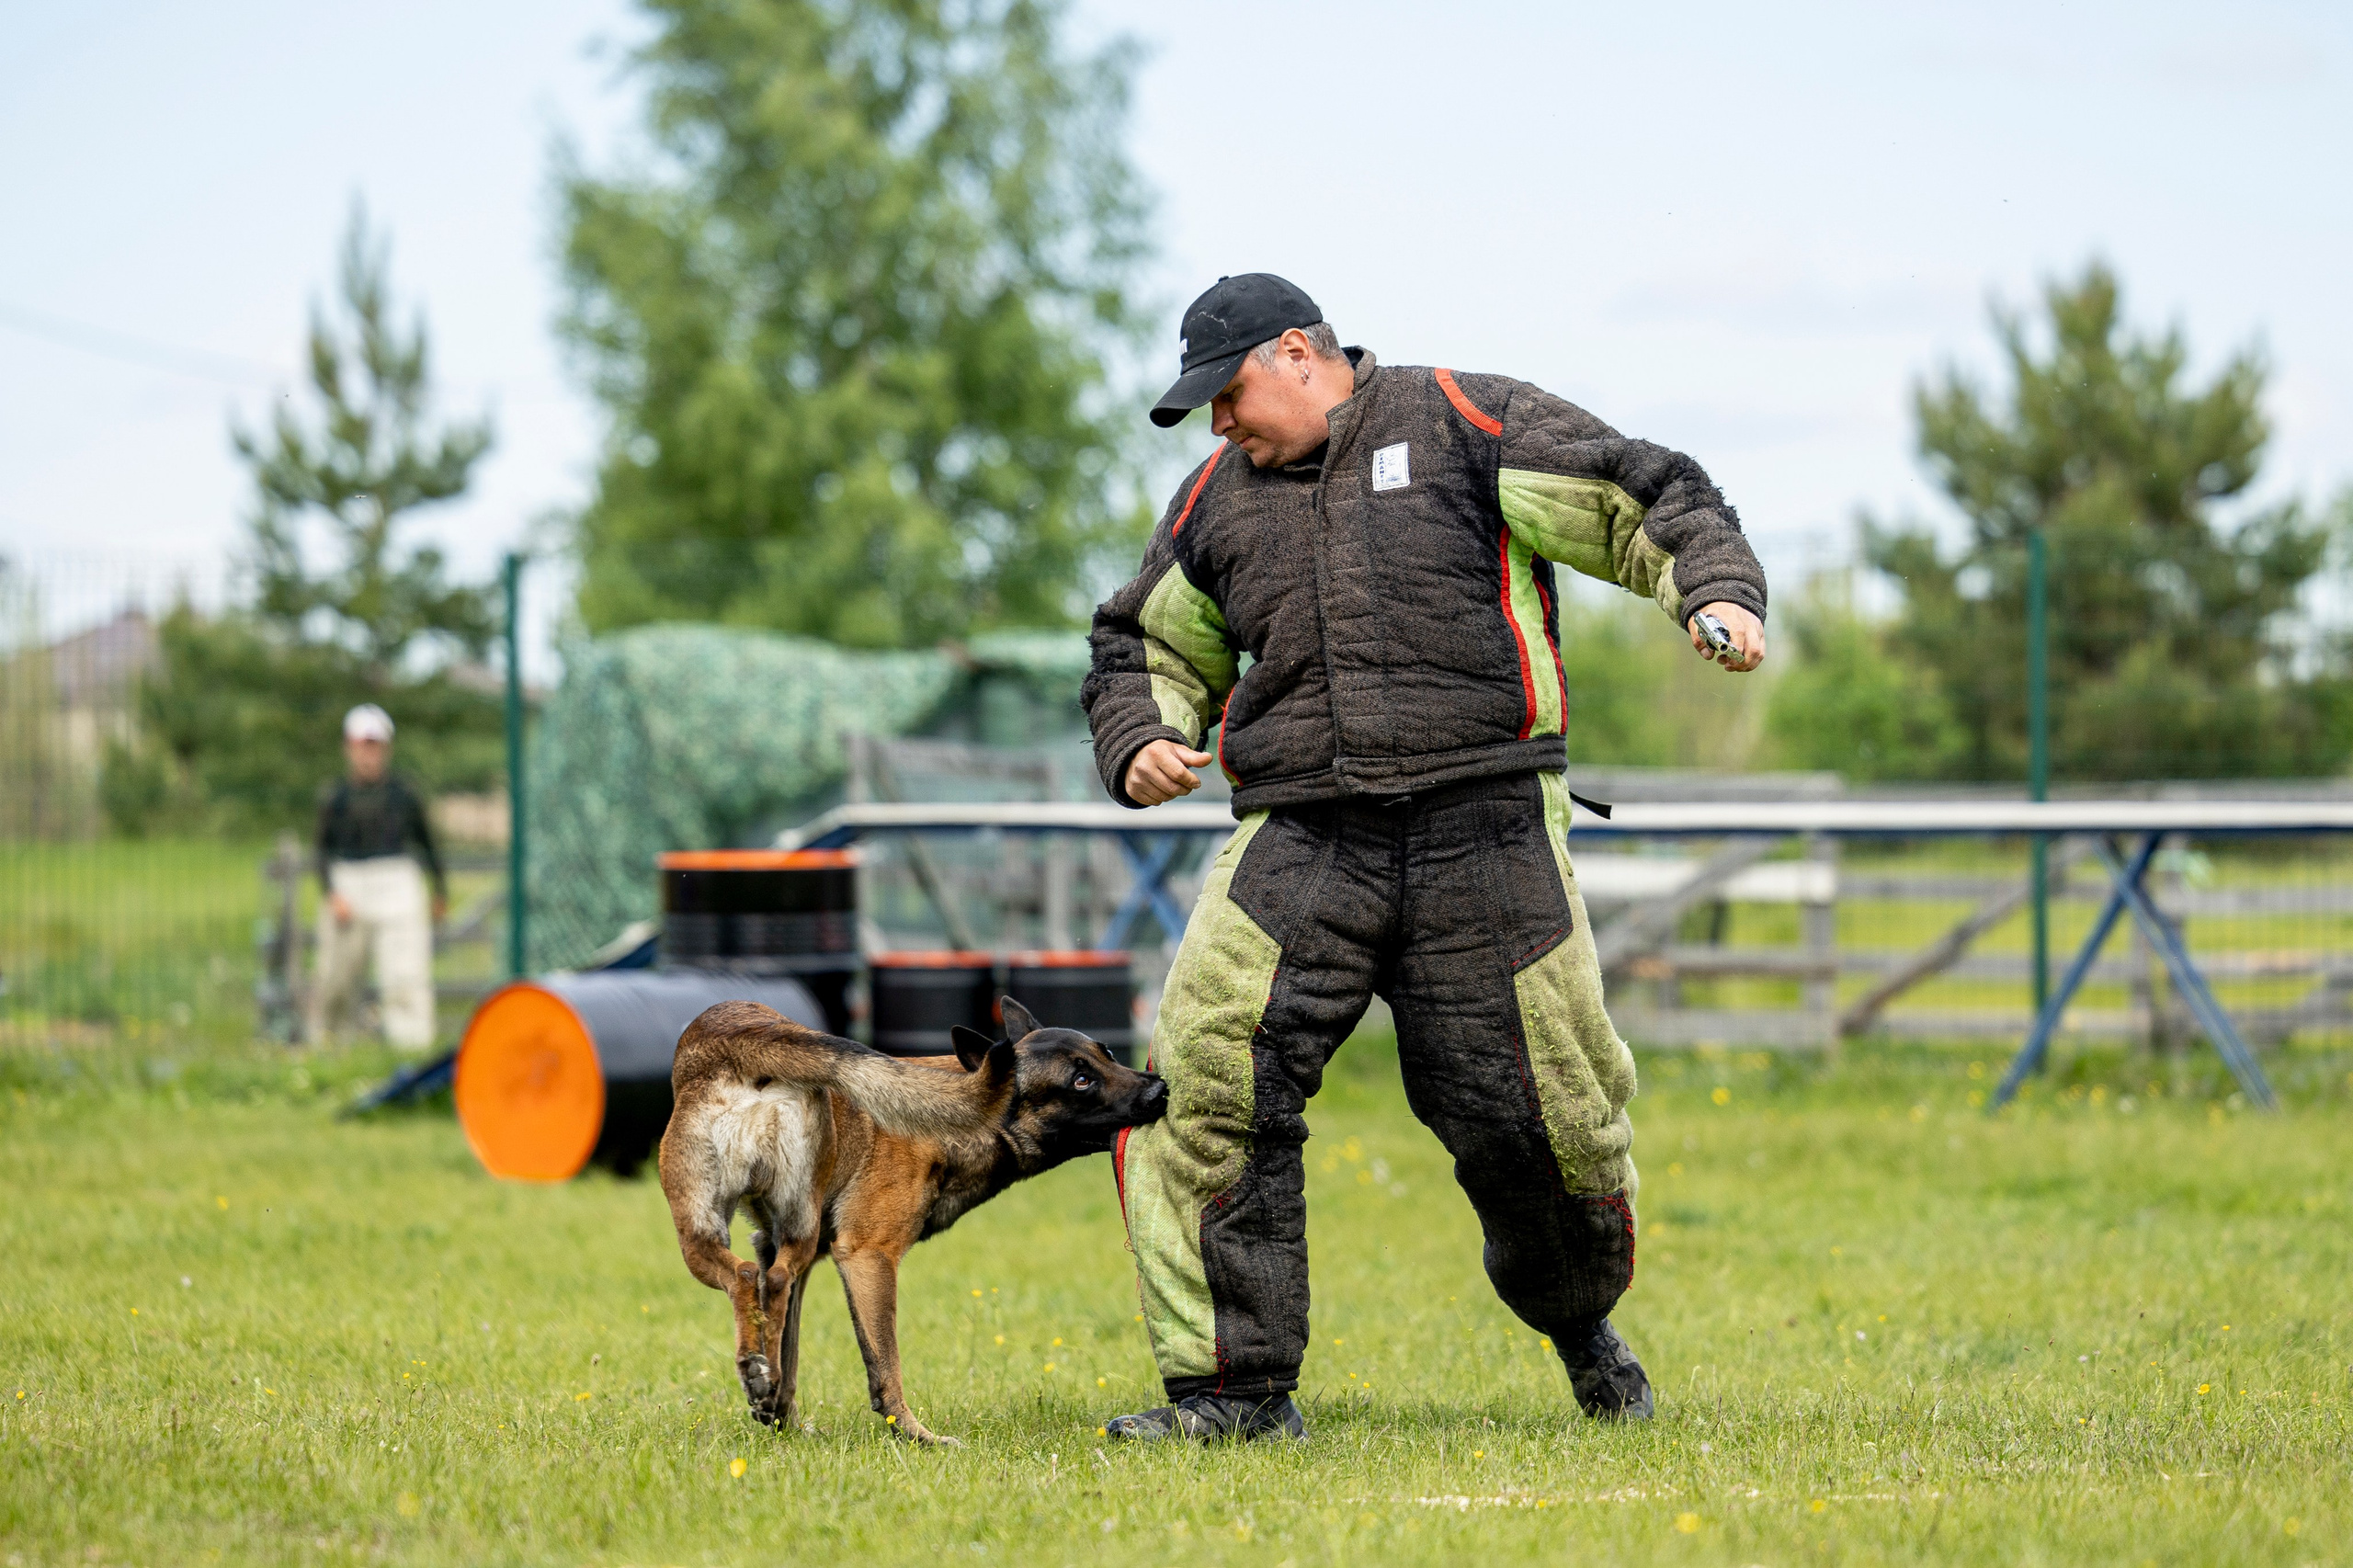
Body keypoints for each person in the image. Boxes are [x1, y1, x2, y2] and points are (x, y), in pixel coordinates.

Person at [1083, 274, 1768, 1442]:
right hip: (1302, 835)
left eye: (1227, 393)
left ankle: (1580, 1322)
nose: (1218, 424)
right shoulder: (1212, 503)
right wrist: (1141, 734)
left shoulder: (1461, 418)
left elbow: (1637, 491)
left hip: (1486, 824)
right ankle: (1233, 1392)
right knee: (1201, 1083)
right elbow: (1142, 642)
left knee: (1543, 1120)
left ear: (1296, 351)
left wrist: (1712, 588)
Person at [305, 703, 448, 1051]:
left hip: (397, 882)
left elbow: (428, 843)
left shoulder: (405, 794)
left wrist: (439, 890)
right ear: (349, 748)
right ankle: (330, 1044)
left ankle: (410, 1048)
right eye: (362, 745)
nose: (369, 754)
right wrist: (332, 893)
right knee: (336, 976)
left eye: (375, 746)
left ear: (386, 748)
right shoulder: (335, 797)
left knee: (404, 975)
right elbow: (321, 851)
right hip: (349, 883)